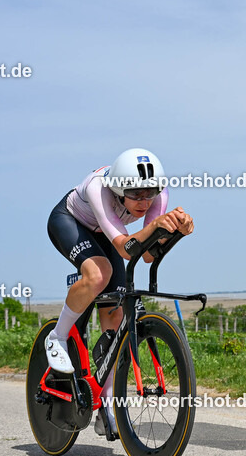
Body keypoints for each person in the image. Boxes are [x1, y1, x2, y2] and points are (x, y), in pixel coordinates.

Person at [45, 148, 193, 438]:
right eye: (135, 194)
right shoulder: (99, 189)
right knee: (99, 274)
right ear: (118, 189)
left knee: (114, 315)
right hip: (71, 222)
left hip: (108, 233)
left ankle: (108, 405)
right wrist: (153, 227)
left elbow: (147, 255)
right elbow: (125, 247)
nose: (144, 201)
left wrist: (175, 233)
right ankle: (57, 336)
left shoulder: (157, 196)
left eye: (149, 193)